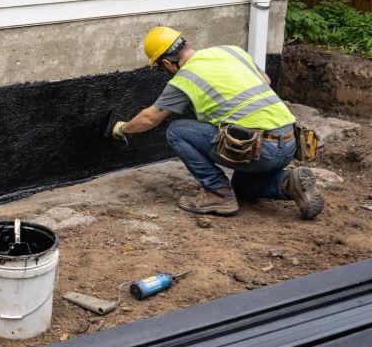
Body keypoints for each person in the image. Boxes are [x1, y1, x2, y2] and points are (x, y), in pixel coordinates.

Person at [111, 26, 324, 219]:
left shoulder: (185, 77)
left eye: (160, 68)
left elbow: (149, 119)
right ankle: (289, 182)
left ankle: (217, 192)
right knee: (242, 185)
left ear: (167, 63)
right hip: (290, 142)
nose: (164, 73)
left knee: (177, 131)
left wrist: (122, 128)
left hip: (261, 149)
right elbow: (266, 81)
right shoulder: (231, 51)